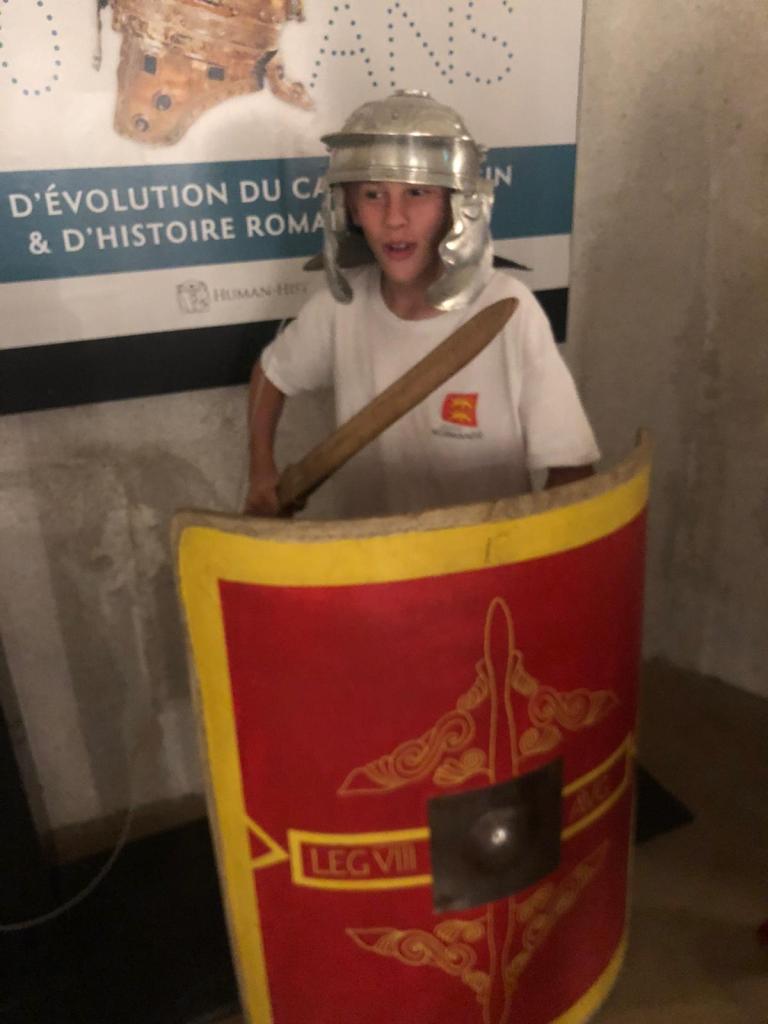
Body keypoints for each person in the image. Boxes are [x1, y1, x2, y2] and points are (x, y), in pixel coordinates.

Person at [246, 90, 599, 518]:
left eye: (417, 192)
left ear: (456, 206)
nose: (394, 218)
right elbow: (272, 372)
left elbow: (572, 472)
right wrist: (261, 470)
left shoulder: (509, 310)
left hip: (485, 557)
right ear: (348, 208)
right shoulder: (339, 308)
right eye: (373, 194)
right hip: (368, 555)